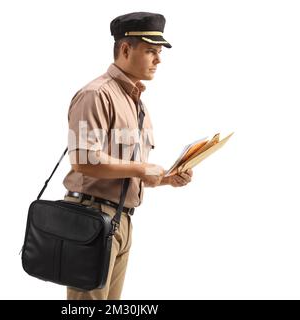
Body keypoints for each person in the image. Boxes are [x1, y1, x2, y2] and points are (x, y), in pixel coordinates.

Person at [62, 12, 193, 300]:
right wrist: (141, 168)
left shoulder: (137, 105)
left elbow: (128, 172)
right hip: (91, 220)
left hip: (121, 221)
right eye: (151, 51)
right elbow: (83, 160)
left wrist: (166, 179)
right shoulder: (96, 95)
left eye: (159, 53)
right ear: (125, 50)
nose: (158, 60)